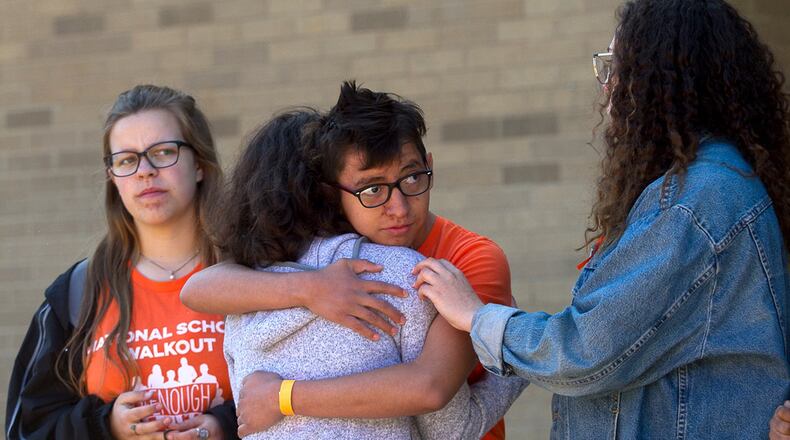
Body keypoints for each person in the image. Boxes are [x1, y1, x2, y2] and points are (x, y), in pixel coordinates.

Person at [412, 0, 790, 438]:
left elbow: (587, 351)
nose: (606, 86)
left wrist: (476, 316)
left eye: (615, 66)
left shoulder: (695, 203)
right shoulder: (718, 184)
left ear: (659, 78)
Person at [181, 82, 523, 439]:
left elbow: (431, 386)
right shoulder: (322, 275)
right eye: (372, 190)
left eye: (411, 179)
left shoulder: (467, 260)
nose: (399, 209)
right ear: (330, 192)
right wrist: (310, 288)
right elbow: (197, 289)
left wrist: (283, 396)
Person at [6, 85, 238, 440]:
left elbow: (299, 397)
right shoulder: (77, 293)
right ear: (113, 178)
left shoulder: (251, 275)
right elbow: (28, 428)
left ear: (200, 166)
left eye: (164, 152)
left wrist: (225, 425)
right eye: (127, 159)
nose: (145, 171)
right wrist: (106, 425)